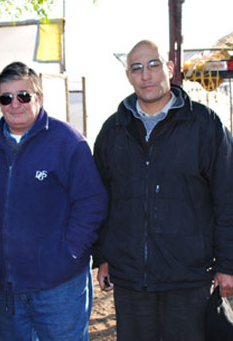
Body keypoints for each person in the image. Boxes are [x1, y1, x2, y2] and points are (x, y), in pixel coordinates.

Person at [93, 39, 233, 341]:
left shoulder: (205, 125)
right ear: (129, 76)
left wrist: (227, 264)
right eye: (137, 68)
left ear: (169, 68)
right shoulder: (113, 130)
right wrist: (103, 255)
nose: (146, 74)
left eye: (154, 64)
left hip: (188, 277)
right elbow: (101, 199)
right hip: (130, 280)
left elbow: (227, 197)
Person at [0, 62, 107, 341]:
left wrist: (69, 252)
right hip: (9, 287)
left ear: (38, 97)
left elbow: (92, 201)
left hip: (59, 285)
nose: (15, 104)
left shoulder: (67, 142)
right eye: (6, 98)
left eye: (23, 96)